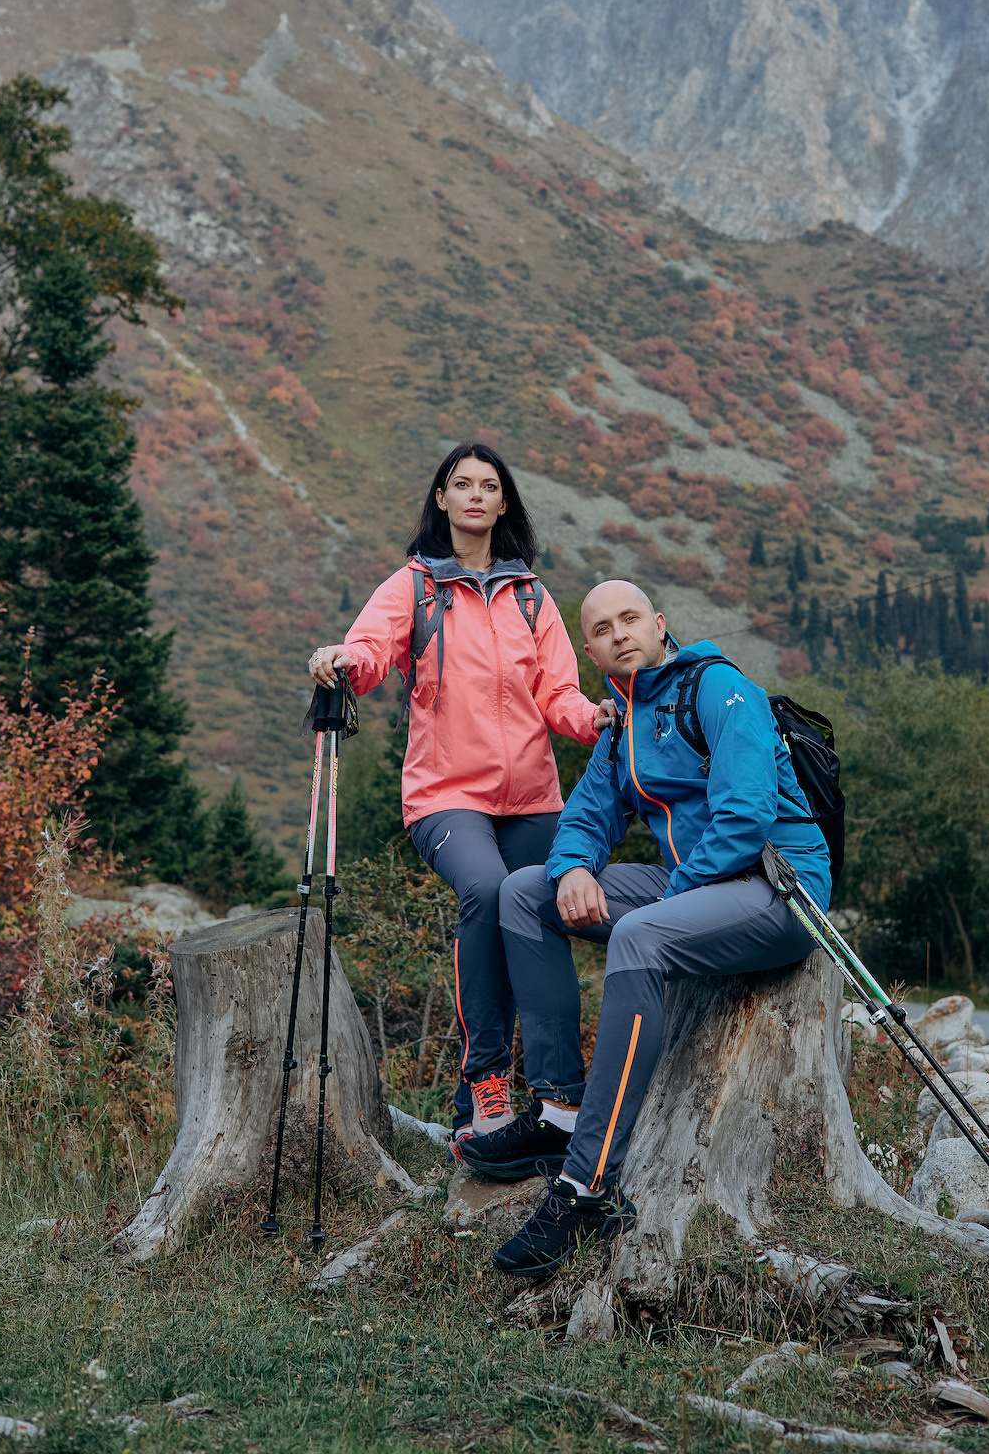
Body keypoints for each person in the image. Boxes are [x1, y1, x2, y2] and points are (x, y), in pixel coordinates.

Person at [459, 578, 832, 1276]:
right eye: (601, 628)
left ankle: (587, 1186)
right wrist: (572, 867)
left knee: (639, 935)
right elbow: (589, 814)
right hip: (697, 887)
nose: (619, 633)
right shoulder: (624, 718)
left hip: (776, 891)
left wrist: (669, 903)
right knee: (522, 892)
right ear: (592, 650)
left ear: (660, 624)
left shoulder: (720, 690)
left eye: (630, 618)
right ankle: (560, 1111)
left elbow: (746, 818)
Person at [307, 443, 613, 1156]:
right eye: (461, 484)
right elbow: (370, 652)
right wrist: (341, 662)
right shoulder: (413, 587)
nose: (475, 495)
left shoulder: (530, 594)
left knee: (536, 913)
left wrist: (593, 717)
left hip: (535, 798)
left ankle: (549, 1101)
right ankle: (486, 1082)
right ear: (441, 498)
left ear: (504, 503)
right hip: (445, 797)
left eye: (489, 486)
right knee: (486, 889)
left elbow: (557, 695)